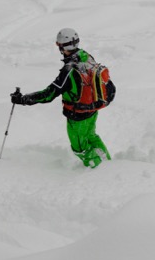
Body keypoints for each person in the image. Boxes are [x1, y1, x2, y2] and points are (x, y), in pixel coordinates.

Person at [10, 28, 112, 168]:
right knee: (91, 137)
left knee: (80, 148)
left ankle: (100, 171)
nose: (59, 48)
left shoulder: (69, 71)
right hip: (93, 109)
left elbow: (49, 94)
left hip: (77, 117)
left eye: (59, 45)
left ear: (64, 46)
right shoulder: (87, 57)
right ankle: (109, 164)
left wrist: (23, 99)